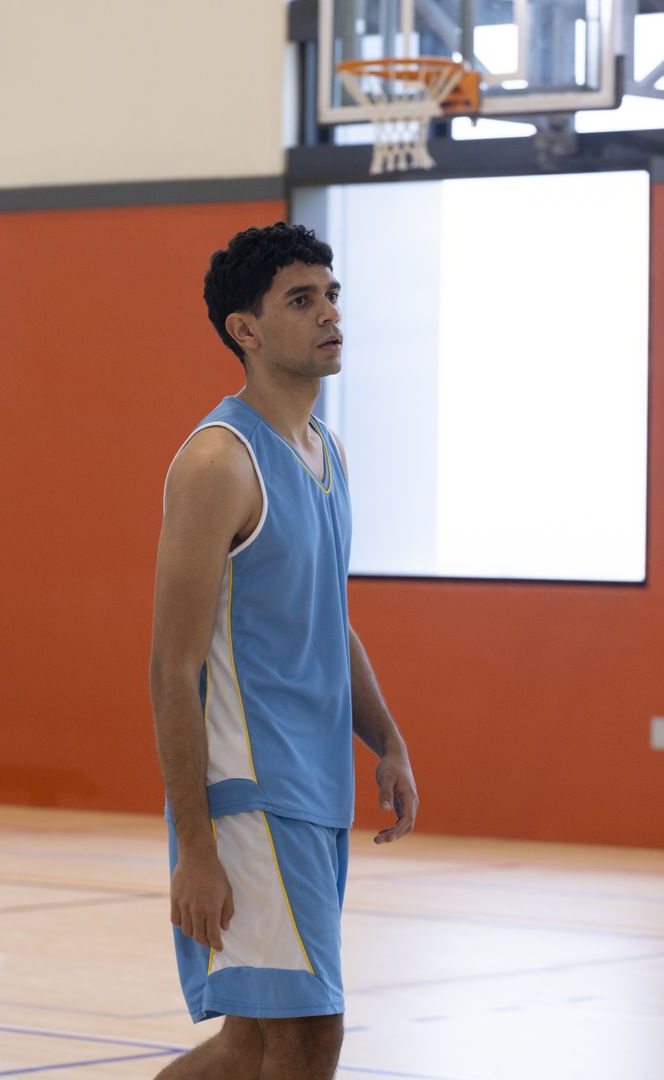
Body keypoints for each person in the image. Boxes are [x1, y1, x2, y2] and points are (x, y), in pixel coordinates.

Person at [148, 222, 418, 1080]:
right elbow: (171, 669)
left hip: (317, 795)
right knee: (311, 1037)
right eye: (301, 300)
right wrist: (195, 847)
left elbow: (328, 621)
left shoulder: (325, 453)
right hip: (249, 804)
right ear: (246, 330)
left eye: (331, 294)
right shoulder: (217, 465)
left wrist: (389, 741)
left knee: (250, 1046)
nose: (329, 313)